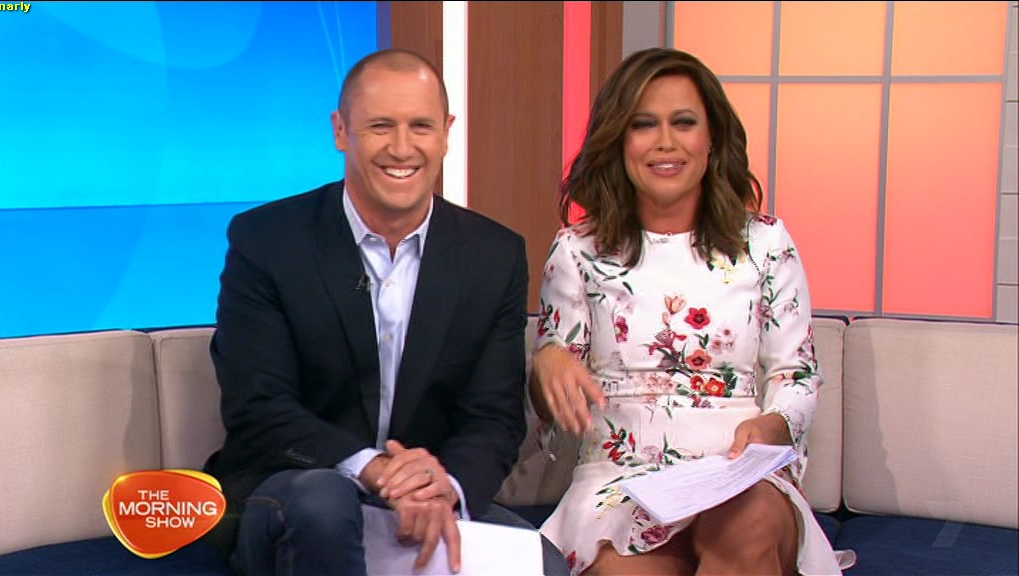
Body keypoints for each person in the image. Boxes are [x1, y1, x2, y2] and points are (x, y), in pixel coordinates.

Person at [202, 48, 566, 576]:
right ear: (341, 131)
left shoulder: (493, 255)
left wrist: (444, 487)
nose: (401, 147)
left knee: (543, 564)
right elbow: (258, 407)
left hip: (421, 499)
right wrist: (375, 469)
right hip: (296, 490)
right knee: (324, 505)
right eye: (380, 126)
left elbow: (493, 417)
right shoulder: (268, 241)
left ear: (446, 133)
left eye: (420, 126)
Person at [529, 47, 849, 575]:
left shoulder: (765, 243)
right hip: (622, 478)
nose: (665, 142)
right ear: (619, 139)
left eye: (684, 123)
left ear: (712, 138)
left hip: (738, 471)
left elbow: (796, 374)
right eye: (644, 124)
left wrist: (774, 424)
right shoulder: (576, 250)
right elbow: (555, 396)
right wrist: (546, 363)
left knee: (746, 526)